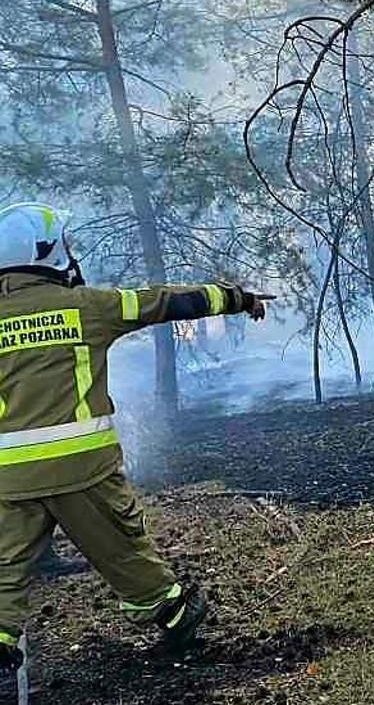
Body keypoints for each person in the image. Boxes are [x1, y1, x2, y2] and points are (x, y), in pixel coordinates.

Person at [0, 202, 270, 672]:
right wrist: (236, 298)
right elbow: (168, 302)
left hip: (7, 479)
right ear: (49, 254)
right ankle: (173, 612)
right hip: (82, 470)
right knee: (123, 551)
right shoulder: (87, 307)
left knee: (3, 573)